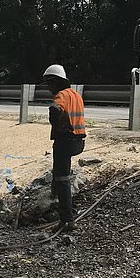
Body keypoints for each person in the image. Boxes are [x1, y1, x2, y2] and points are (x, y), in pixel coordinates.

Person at [43, 64, 86, 232]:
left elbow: (56, 109)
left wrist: (56, 124)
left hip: (65, 141)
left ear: (56, 81)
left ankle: (67, 220)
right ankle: (64, 212)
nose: (48, 87)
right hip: (79, 141)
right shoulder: (76, 95)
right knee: (62, 178)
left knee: (62, 180)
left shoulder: (61, 95)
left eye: (49, 83)